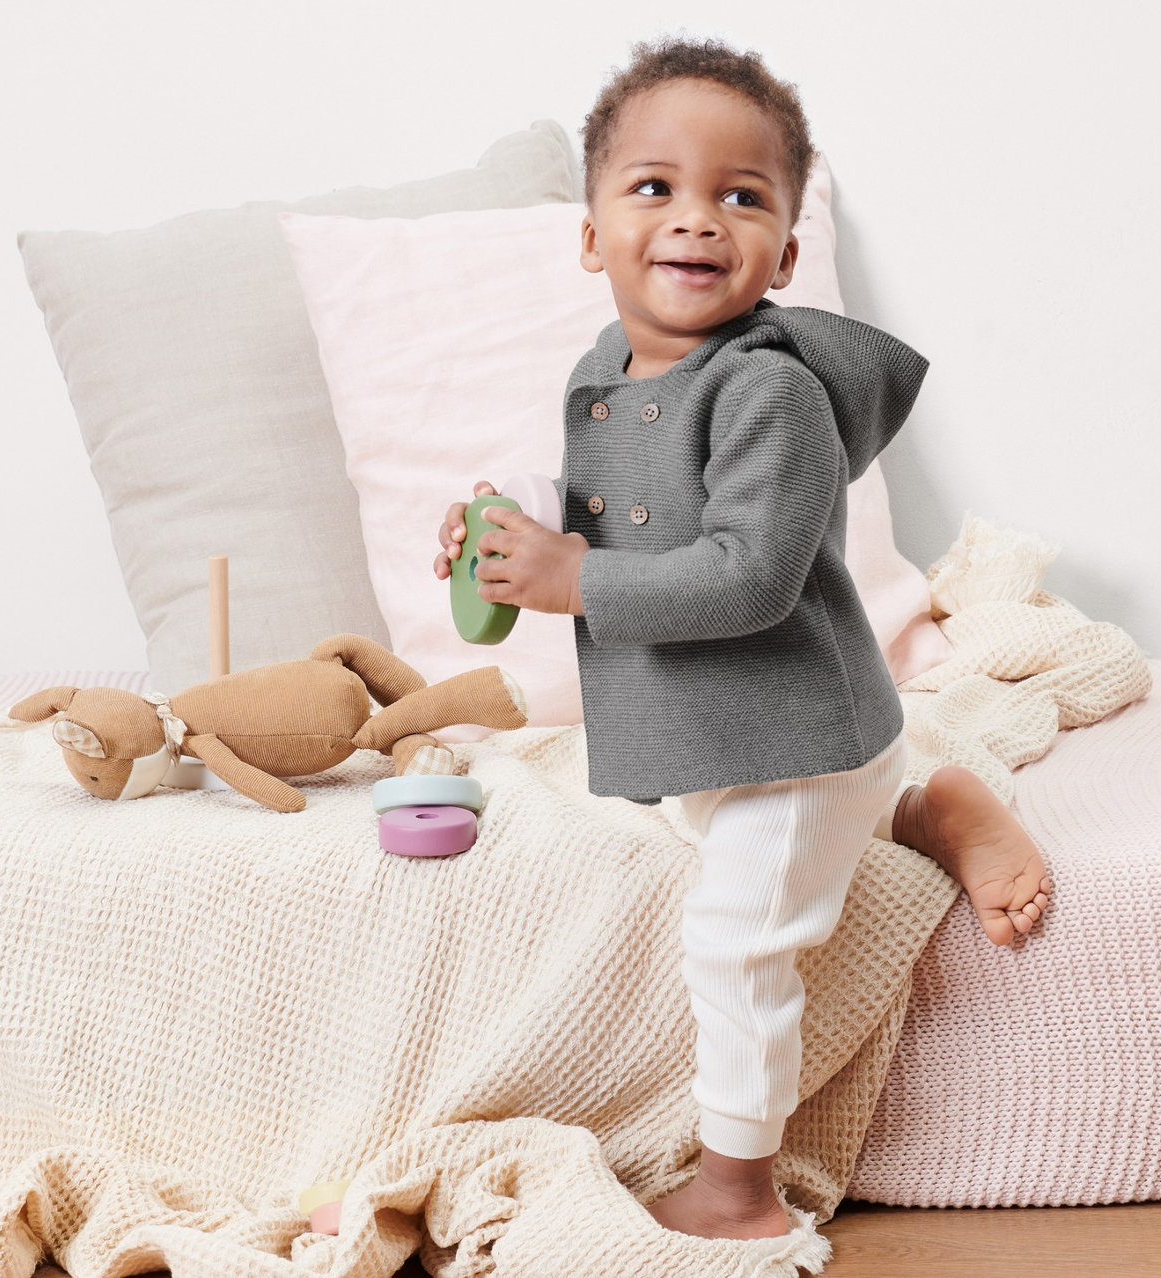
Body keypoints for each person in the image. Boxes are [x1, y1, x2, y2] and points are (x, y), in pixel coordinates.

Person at [434, 36, 1050, 1241]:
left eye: (741, 196)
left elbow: (748, 578)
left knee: (735, 935)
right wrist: (509, 521)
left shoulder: (772, 393)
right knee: (709, 831)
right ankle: (923, 806)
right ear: (590, 231)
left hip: (798, 739)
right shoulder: (603, 367)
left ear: (786, 248)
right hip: (710, 730)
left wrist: (576, 579)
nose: (696, 219)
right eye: (654, 187)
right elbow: (609, 497)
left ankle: (739, 1188)